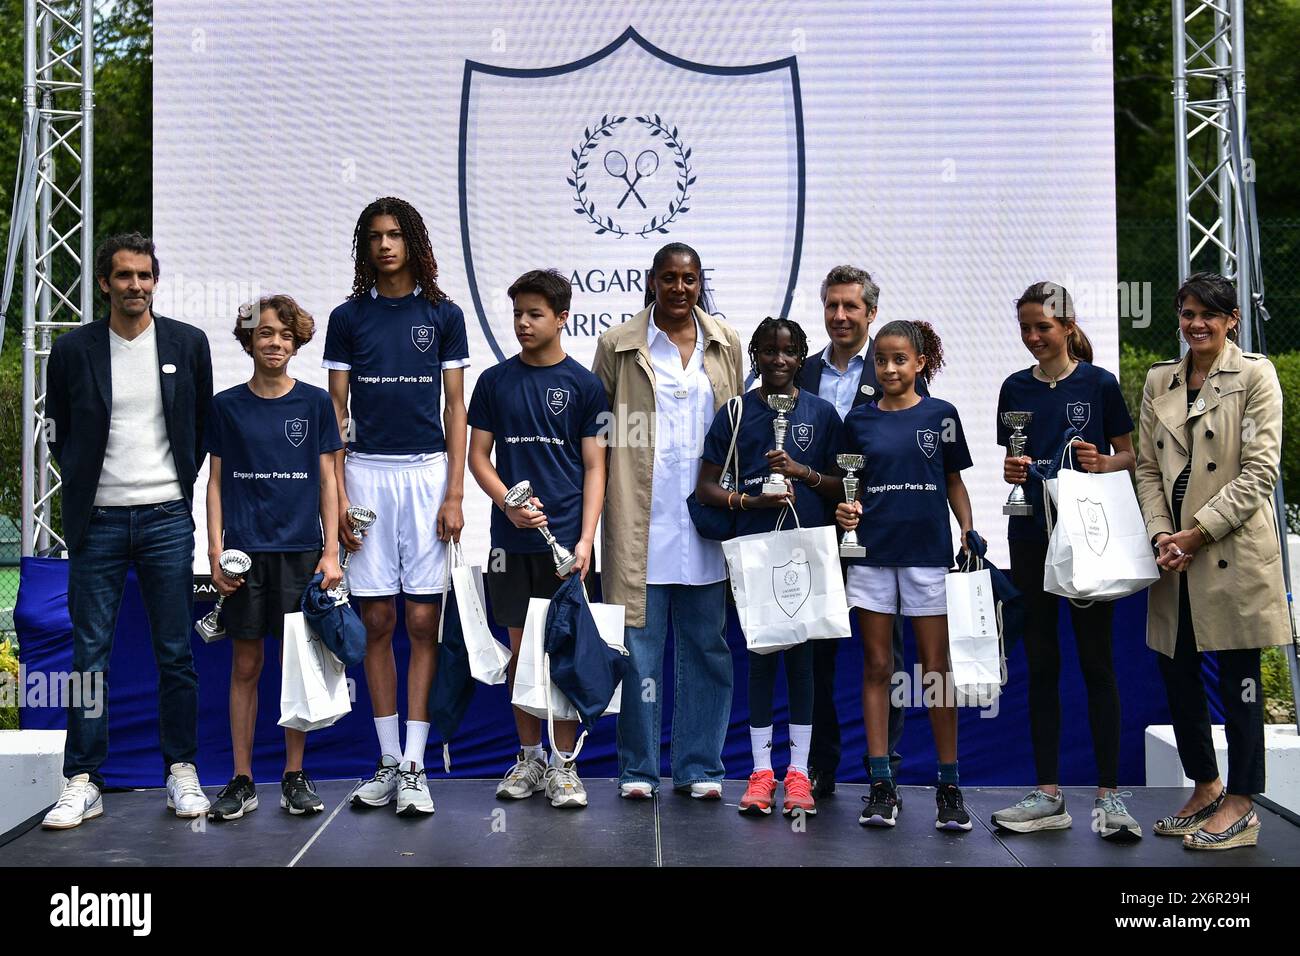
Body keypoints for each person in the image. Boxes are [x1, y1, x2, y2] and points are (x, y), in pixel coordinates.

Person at [42, 232, 213, 829]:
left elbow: (199, 428)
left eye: (144, 275)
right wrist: (93, 486)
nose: (135, 285)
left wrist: (172, 486)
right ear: (104, 283)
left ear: (155, 281)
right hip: (98, 523)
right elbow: (59, 431)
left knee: (176, 652)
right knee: (89, 654)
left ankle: (181, 771)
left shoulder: (188, 343)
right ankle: (83, 780)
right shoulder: (72, 350)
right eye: (123, 275)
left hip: (167, 518)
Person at [323, 197, 469, 817]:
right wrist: (339, 498)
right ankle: (386, 761)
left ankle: (415, 763)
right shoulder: (347, 317)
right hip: (366, 475)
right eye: (374, 236)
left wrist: (454, 492)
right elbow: (335, 412)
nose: (384, 245)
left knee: (422, 621)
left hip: (428, 474)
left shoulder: (443, 314)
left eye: (394, 235)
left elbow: (456, 408)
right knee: (378, 620)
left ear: (413, 242)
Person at [1136, 272, 1289, 850]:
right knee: (1177, 674)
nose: (1196, 324)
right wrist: (1161, 534)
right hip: (1172, 557)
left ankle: (1244, 803)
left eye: (1209, 314)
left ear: (1232, 320)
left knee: (1240, 680)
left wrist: (1196, 535)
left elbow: (1259, 473)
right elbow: (1146, 469)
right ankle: (1206, 787)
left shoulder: (1255, 375)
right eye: (1187, 313)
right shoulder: (1161, 380)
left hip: (1229, 553)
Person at [990, 281, 1142, 841]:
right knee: (1042, 661)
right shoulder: (1013, 387)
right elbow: (1016, 460)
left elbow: (1130, 455)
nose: (1033, 337)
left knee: (1097, 661)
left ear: (1069, 327)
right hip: (1030, 534)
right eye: (1025, 328)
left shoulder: (1099, 384)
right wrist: (1013, 470)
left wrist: (1102, 462)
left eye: (1043, 327)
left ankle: (1110, 796)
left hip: (1086, 537)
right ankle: (1048, 794)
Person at [592, 242, 743, 799]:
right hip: (640, 520)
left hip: (706, 522)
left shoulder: (726, 344)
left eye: (690, 278)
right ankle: (637, 769)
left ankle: (700, 768)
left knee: (708, 647)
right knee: (638, 650)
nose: (680, 288)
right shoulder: (617, 345)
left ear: (701, 283)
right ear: (652, 281)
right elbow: (597, 436)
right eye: (669, 277)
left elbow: (736, 429)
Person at [467, 268, 608, 809]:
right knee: (523, 655)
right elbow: (478, 457)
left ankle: (565, 766)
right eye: (518, 314)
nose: (523, 323)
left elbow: (595, 467)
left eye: (535, 314)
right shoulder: (494, 382)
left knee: (564, 652)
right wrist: (507, 502)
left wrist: (586, 539)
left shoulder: (585, 386)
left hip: (565, 546)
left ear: (562, 318)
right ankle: (530, 759)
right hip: (509, 547)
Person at [203, 295, 344, 820]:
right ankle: (242, 779)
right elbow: (215, 483)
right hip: (244, 557)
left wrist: (331, 551)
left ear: (297, 342)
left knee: (295, 668)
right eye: (264, 333)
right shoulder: (225, 406)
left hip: (300, 555)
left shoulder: (315, 404)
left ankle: (293, 775)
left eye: (285, 335)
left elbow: (329, 481)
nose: (275, 343)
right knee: (246, 664)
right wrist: (215, 551)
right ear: (249, 341)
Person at [695, 317, 843, 816]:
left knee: (803, 666)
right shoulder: (736, 412)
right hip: (756, 552)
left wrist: (804, 474)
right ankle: (761, 772)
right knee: (760, 662)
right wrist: (750, 501)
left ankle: (798, 773)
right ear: (754, 355)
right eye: (769, 350)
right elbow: (705, 488)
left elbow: (844, 485)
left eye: (789, 351)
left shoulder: (821, 413)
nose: (779, 359)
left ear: (802, 356)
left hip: (806, 551)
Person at [835, 320, 974, 831]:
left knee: (935, 670)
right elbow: (848, 488)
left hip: (928, 557)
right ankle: (881, 784)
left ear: (920, 363)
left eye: (900, 359)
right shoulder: (858, 421)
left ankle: (949, 786)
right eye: (881, 360)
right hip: (871, 556)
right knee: (877, 666)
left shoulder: (942, 415)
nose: (889, 368)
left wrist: (967, 529)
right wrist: (846, 511)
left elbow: (953, 481)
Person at [799, 265, 921, 798]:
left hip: (880, 533)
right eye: (832, 305)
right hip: (813, 531)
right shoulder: (802, 372)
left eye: (851, 306)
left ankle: (884, 769)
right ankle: (818, 766)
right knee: (815, 655)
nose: (840, 315)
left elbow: (913, 452)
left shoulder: (894, 366)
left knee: (885, 657)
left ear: (871, 312)